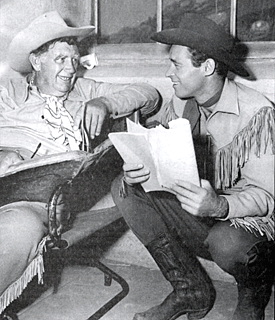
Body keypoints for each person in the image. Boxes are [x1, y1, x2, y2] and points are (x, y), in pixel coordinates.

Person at [111, 13, 275, 320]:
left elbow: (268, 198)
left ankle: (252, 301)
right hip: (203, 213)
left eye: (176, 64)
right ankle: (190, 289)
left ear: (208, 67)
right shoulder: (181, 101)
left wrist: (220, 206)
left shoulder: (258, 113)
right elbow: (161, 152)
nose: (169, 72)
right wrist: (140, 166)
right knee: (124, 187)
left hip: (250, 228)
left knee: (227, 242)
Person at [0, 11, 160, 317]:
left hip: (37, 202)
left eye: (74, 60)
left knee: (19, 228)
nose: (70, 69)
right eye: (61, 59)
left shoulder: (85, 91)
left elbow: (149, 95)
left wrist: (105, 103)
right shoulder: (8, 94)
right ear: (36, 61)